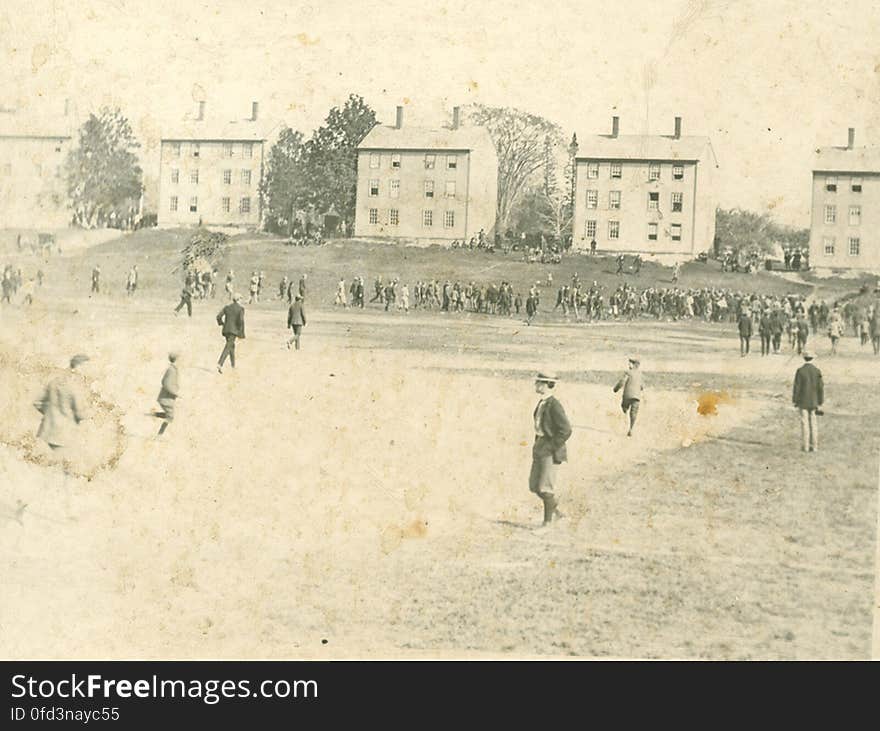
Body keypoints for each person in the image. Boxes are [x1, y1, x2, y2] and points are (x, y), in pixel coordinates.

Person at [529, 372, 572, 528]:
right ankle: (556, 512)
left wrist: (551, 446)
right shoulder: (542, 403)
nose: (535, 385)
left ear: (546, 385)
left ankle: (547, 524)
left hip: (550, 451)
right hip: (540, 446)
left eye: (538, 383)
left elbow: (566, 430)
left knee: (545, 487)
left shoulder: (554, 405)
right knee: (534, 486)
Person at [34, 354, 89, 450]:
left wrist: (51, 413)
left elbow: (37, 402)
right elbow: (79, 414)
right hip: (64, 434)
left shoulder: (54, 381)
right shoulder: (75, 386)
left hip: (47, 431)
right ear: (79, 367)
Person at [792, 350, 823, 453]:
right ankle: (815, 446)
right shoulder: (817, 371)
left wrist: (795, 400)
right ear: (813, 359)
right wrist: (820, 401)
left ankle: (805, 446)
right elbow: (820, 387)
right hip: (814, 401)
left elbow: (797, 387)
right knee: (813, 424)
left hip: (802, 400)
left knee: (804, 423)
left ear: (804, 358)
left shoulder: (800, 371)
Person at [613, 357, 644, 436]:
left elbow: (622, 382)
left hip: (627, 396)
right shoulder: (640, 374)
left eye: (630, 363)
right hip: (637, 397)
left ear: (633, 365)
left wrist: (616, 389)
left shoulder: (628, 372)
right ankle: (631, 428)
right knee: (634, 413)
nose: (628, 365)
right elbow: (642, 386)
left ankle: (625, 413)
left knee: (624, 406)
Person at [217, 293, 246, 373]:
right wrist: (241, 334)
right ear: (238, 300)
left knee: (231, 347)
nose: (241, 301)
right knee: (228, 346)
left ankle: (233, 366)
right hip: (233, 331)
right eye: (241, 299)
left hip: (226, 330)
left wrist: (222, 323)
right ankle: (220, 363)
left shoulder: (227, 307)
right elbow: (241, 321)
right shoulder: (241, 309)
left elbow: (218, 316)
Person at [156, 352, 180, 436]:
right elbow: (166, 383)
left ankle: (152, 414)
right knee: (170, 417)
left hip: (167, 397)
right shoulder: (172, 370)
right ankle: (159, 435)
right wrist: (174, 392)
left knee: (168, 415)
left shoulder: (173, 369)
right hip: (166, 398)